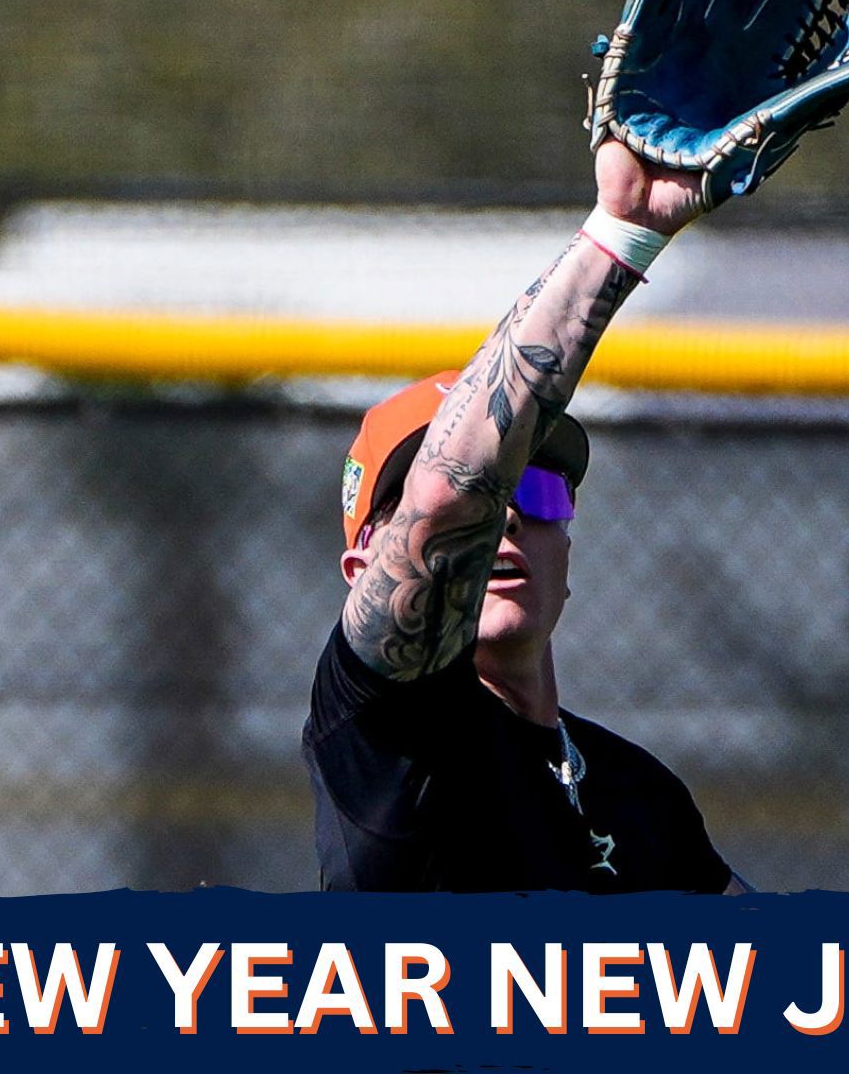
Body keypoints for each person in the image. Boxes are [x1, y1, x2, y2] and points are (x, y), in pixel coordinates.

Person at [301, 139, 750, 895]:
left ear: (568, 549)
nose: (502, 518)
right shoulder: (388, 734)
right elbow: (452, 493)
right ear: (361, 575)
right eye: (485, 499)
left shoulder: (641, 791)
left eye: (537, 489)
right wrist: (624, 231)